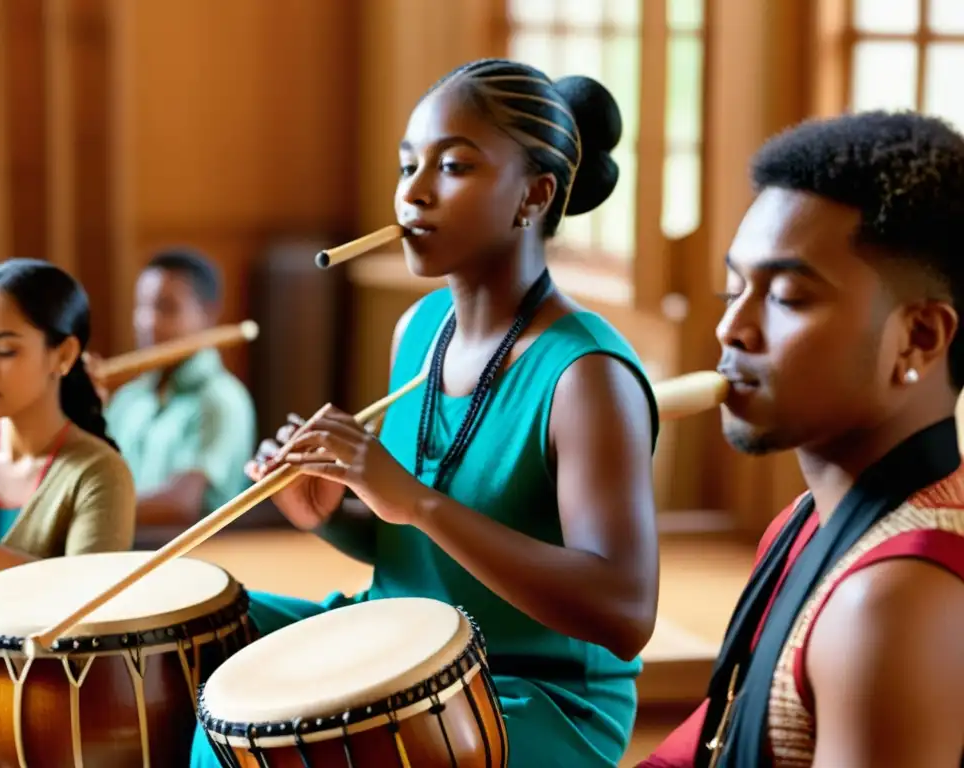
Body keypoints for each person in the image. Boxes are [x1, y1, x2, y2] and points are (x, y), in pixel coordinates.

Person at [189, 59, 661, 767]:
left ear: (533, 195)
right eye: (408, 165)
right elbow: (410, 550)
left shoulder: (586, 375)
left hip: (525, 690)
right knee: (202, 640)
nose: (413, 192)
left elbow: (624, 613)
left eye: (454, 167)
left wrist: (412, 500)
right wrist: (329, 514)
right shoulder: (419, 328)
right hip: (398, 636)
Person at [639, 111, 964, 768]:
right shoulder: (807, 523)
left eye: (786, 297)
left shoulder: (892, 599)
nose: (732, 328)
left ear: (919, 339)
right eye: (735, 288)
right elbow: (709, 741)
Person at [0, 258, 136, 763]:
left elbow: (83, 609)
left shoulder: (100, 473)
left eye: (4, 350)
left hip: (41, 721)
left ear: (64, 354)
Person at [94, 249, 257, 535]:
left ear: (208, 313)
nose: (149, 322)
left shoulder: (221, 400)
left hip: (196, 562)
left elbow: (181, 504)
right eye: (142, 307)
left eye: (166, 308)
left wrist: (89, 515)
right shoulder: (129, 398)